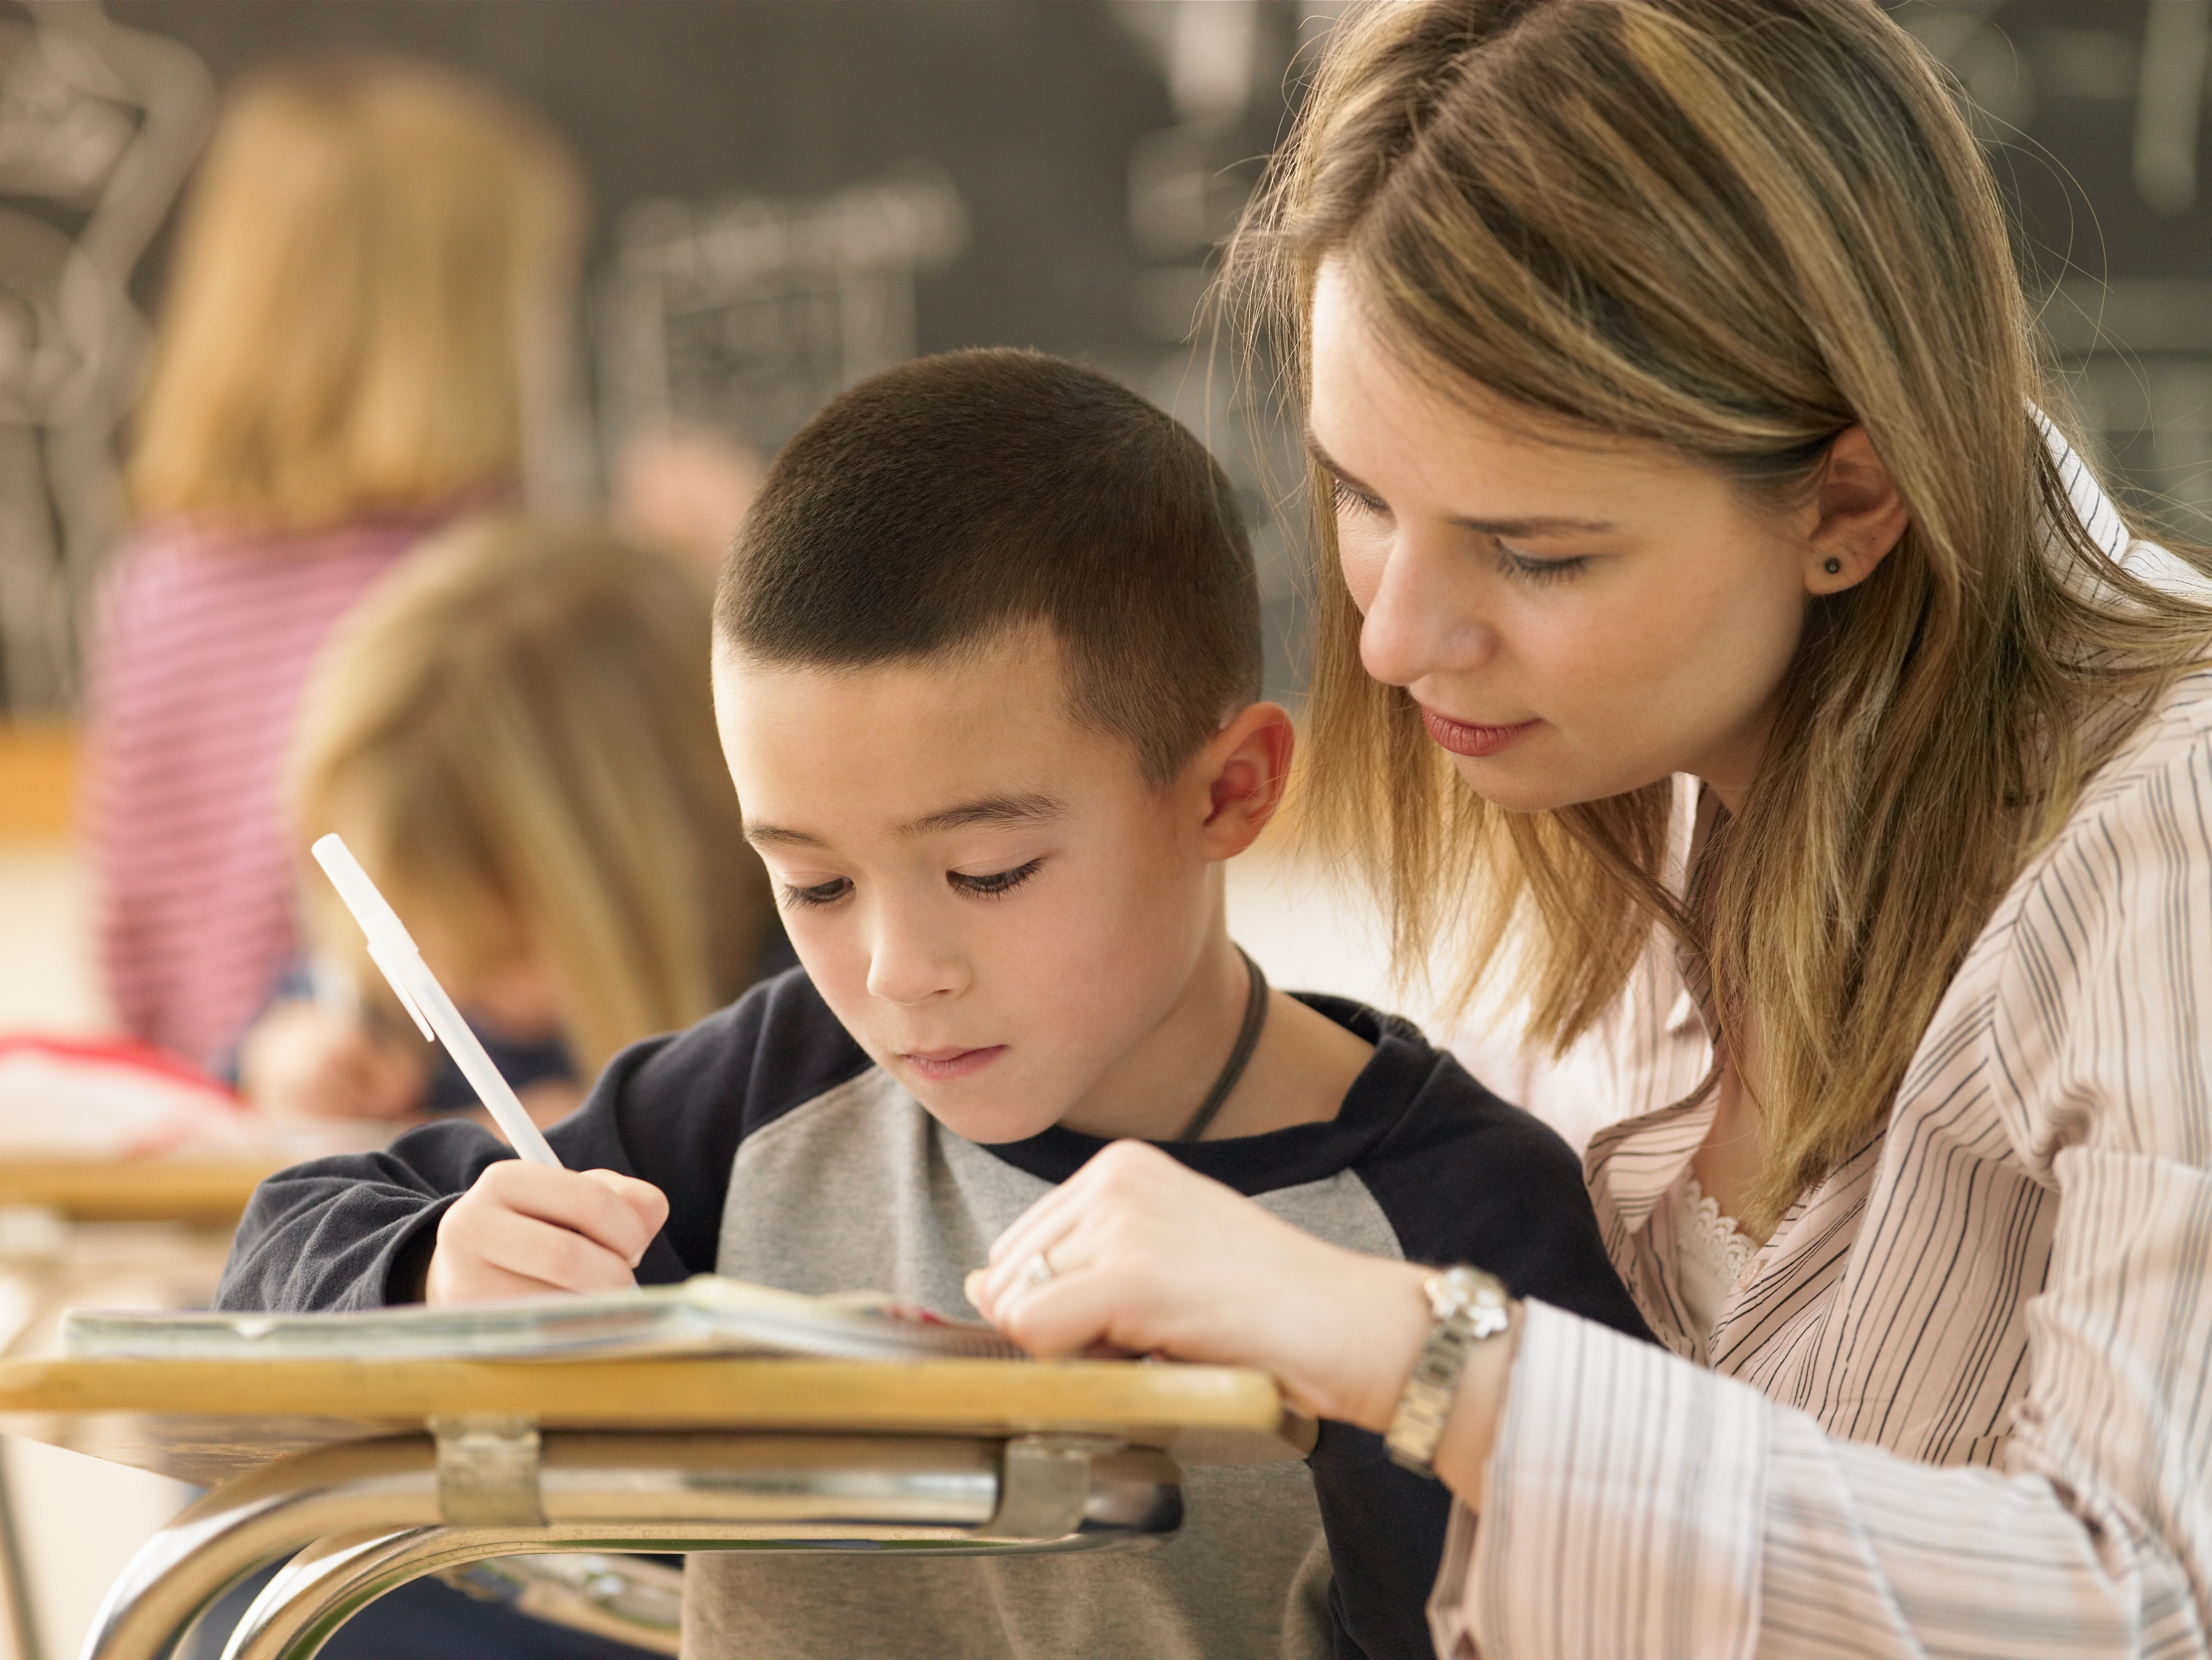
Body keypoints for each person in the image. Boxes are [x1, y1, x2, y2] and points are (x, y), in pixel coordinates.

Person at [962, 3, 2212, 1656]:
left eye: (1534, 552)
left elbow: (2134, 1594)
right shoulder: (1662, 778)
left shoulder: (2169, 841)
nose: (1398, 638)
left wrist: (1418, 1349)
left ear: (1847, 501)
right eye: (1358, 493)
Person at [215, 349, 1652, 1660]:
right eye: (814, 885)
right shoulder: (777, 1088)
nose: (897, 974)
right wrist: (431, 1278)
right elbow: (291, 1239)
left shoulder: (1462, 1219)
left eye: (987, 869)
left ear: (1230, 790)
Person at [83, 60, 582, 1077]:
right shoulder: (485, 591)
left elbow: (128, 930)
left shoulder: (156, 573)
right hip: (416, 1118)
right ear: (465, 328)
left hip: (228, 1106)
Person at [238, 515, 783, 1133]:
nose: (446, 985)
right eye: (415, 939)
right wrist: (283, 1062)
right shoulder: (392, 1002)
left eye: (501, 956)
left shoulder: (788, 1006)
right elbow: (260, 1051)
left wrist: (613, 1135)